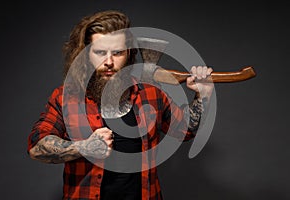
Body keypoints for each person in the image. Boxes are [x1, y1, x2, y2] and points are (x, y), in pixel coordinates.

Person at [27, 10, 213, 200]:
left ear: (129, 54)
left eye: (117, 53)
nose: (109, 62)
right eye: (100, 52)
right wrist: (83, 148)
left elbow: (185, 130)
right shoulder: (66, 97)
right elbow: (36, 147)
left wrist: (202, 96)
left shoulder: (150, 93)